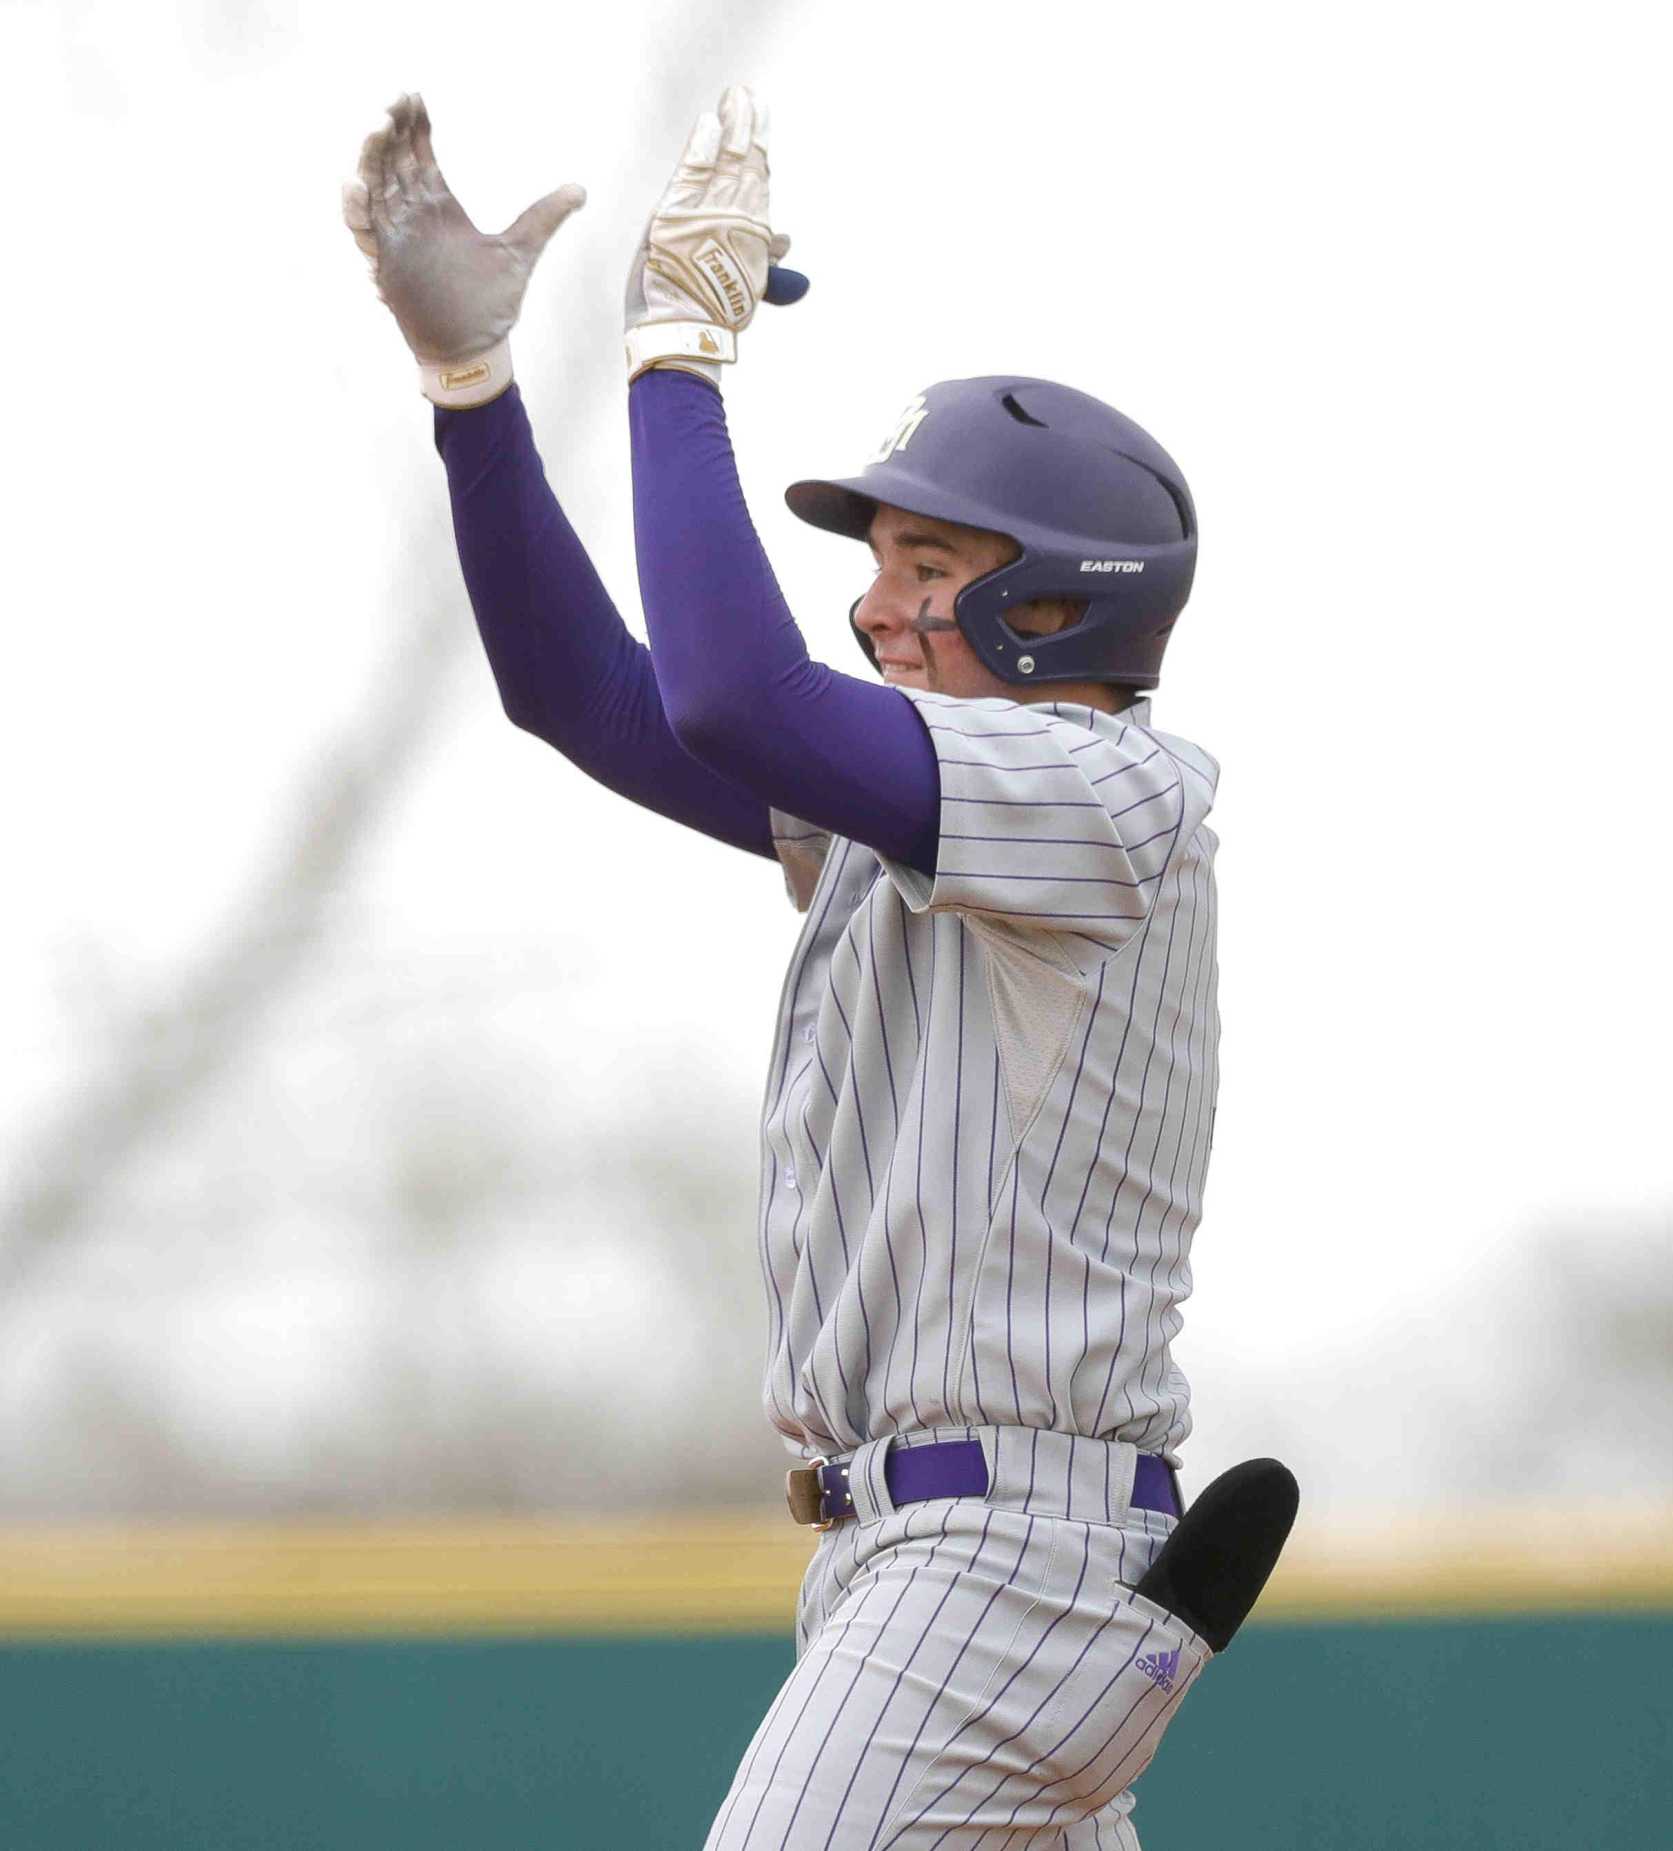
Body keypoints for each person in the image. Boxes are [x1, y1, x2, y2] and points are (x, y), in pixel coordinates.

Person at [344, 83, 1265, 1849]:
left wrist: (679, 360)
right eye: (885, 565)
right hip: (936, 1559)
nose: (883, 602)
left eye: (934, 563)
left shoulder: (1113, 792)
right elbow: (592, 696)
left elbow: (731, 692)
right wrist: (474, 404)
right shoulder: (922, 811)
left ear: (1063, 600)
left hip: (997, 1570)